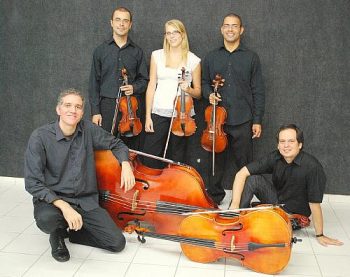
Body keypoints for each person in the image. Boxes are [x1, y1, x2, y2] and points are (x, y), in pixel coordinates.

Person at [24, 89, 136, 262]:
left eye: (78, 107)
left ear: (82, 112)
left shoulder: (88, 129)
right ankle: (57, 234)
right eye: (67, 105)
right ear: (58, 109)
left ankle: (74, 232)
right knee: (48, 219)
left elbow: (117, 144)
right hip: (53, 199)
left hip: (85, 200)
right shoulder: (40, 137)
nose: (73, 110)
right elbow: (32, 183)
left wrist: (126, 164)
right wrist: (65, 207)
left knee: (117, 243)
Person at [229, 124, 343, 246]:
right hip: (278, 201)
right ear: (278, 145)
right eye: (282, 141)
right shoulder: (275, 157)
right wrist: (235, 205)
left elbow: (314, 204)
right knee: (253, 179)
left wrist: (320, 235)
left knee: (261, 228)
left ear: (300, 145)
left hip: (294, 214)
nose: (286, 145)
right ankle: (234, 219)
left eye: (291, 141)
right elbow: (241, 173)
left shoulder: (313, 167)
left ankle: (255, 219)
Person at [202, 13, 265, 204]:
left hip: (243, 119)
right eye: (227, 26)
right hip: (216, 120)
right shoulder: (211, 57)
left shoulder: (251, 57)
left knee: (244, 164)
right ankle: (214, 198)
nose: (230, 29)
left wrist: (257, 120)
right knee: (215, 163)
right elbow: (204, 83)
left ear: (241, 30)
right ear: (222, 29)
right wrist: (209, 94)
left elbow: (258, 91)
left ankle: (243, 200)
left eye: (234, 26)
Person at [142, 19, 201, 168]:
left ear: (182, 35)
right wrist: (148, 116)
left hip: (182, 115)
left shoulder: (193, 60)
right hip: (159, 112)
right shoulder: (157, 56)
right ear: (165, 36)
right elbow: (151, 85)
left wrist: (188, 89)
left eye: (175, 32)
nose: (172, 36)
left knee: (177, 158)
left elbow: (199, 93)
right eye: (168, 33)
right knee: (150, 156)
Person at [88, 7, 148, 149]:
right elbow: (94, 84)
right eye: (118, 20)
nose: (121, 24)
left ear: (130, 25)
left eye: (125, 21)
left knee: (131, 150)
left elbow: (144, 80)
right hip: (107, 106)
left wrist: (134, 87)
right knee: (105, 148)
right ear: (111, 23)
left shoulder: (137, 51)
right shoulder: (100, 51)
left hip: (131, 107)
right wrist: (96, 112)